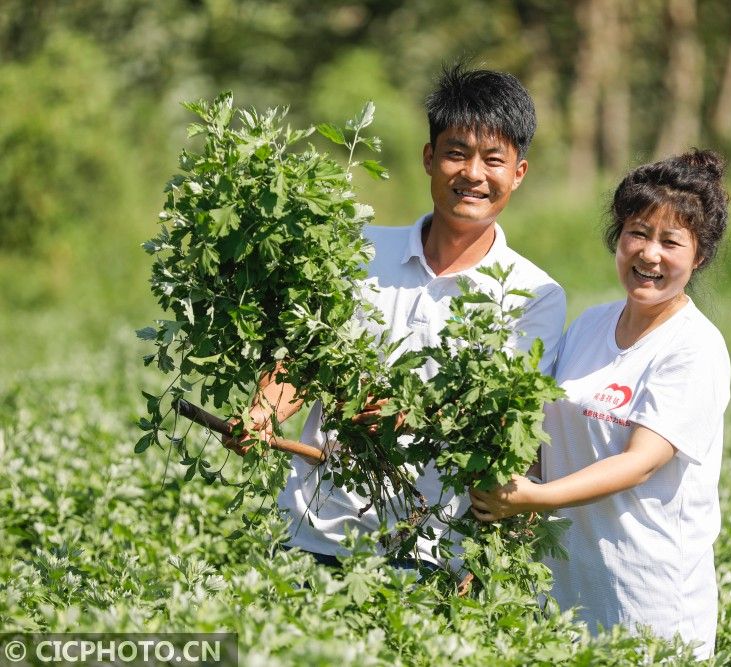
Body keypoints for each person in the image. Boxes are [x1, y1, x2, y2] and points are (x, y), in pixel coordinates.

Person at [231, 63, 566, 570]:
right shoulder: (358, 251)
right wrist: (263, 413)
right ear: (429, 158)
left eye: (493, 160)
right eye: (456, 153)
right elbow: (302, 360)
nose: (473, 174)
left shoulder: (533, 294)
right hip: (315, 532)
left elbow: (509, 427)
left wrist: (411, 414)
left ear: (518, 173)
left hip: (434, 549)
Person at [469, 150, 730, 659]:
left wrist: (533, 498)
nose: (649, 254)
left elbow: (639, 462)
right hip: (566, 597)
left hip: (649, 605)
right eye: (638, 232)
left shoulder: (693, 347)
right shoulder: (590, 325)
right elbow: (540, 426)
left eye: (670, 241)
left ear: (698, 257)